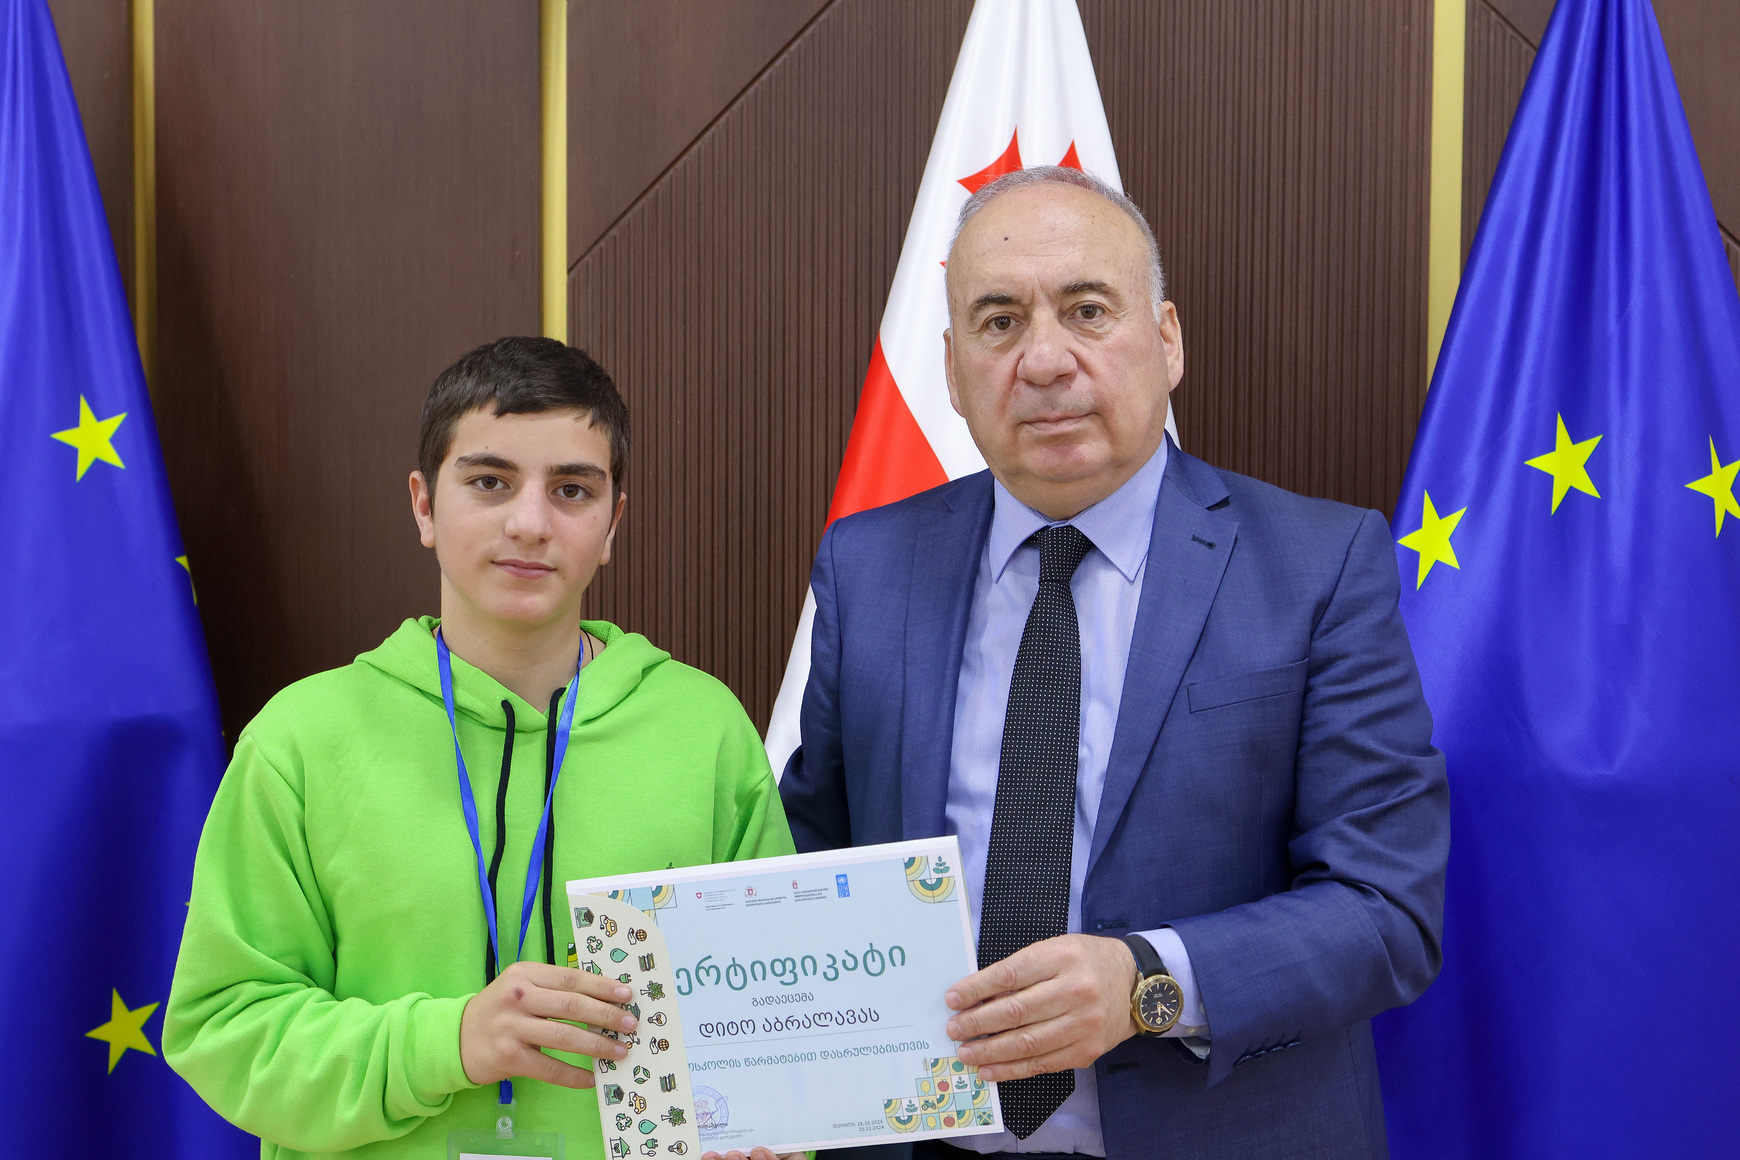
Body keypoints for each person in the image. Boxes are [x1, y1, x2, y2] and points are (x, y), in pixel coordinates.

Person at [779, 167, 1450, 1159]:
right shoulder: (869, 565)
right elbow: (815, 855)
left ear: (1167, 340)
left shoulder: (1319, 565)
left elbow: (1387, 909)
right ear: (954, 370)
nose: (1046, 359)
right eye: (999, 322)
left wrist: (1147, 982)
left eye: (1088, 310)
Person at [164, 337, 796, 1159]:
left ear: (613, 523)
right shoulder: (302, 740)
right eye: (490, 482)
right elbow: (222, 1027)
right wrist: (452, 1042)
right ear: (425, 506)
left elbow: (776, 1028)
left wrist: (773, 1131)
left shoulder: (704, 730)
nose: (530, 523)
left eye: (572, 490)